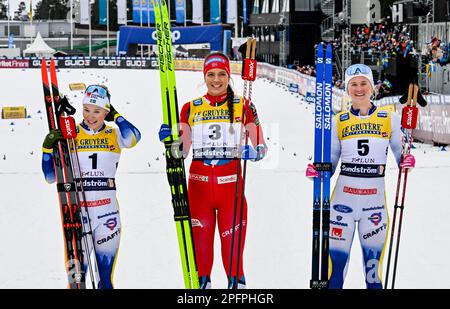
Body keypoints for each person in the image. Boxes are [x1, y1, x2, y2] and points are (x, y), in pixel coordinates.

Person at [159, 52, 267, 289]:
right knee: (202, 262)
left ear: (229, 76)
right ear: (204, 76)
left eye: (221, 74)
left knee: (234, 262)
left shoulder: (244, 105)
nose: (216, 80)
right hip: (198, 192)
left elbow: (262, 147)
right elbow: (182, 152)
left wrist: (253, 152)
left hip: (232, 194)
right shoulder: (190, 108)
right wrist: (171, 140)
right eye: (211, 74)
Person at [307, 64, 415, 288]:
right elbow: (331, 163)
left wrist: (407, 161)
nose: (359, 89)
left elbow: (400, 157)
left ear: (372, 86)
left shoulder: (390, 119)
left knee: (373, 275)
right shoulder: (339, 121)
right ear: (347, 89)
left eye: (363, 83)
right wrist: (318, 171)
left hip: (373, 207)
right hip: (340, 205)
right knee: (334, 274)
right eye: (353, 84)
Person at [41, 85, 141, 289]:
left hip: (108, 214)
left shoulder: (115, 135)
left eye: (97, 111)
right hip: (78, 213)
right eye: (86, 109)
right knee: (77, 279)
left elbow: (133, 138)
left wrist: (118, 116)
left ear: (106, 111)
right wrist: (47, 149)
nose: (90, 116)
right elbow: (50, 177)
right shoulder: (70, 134)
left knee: (105, 279)